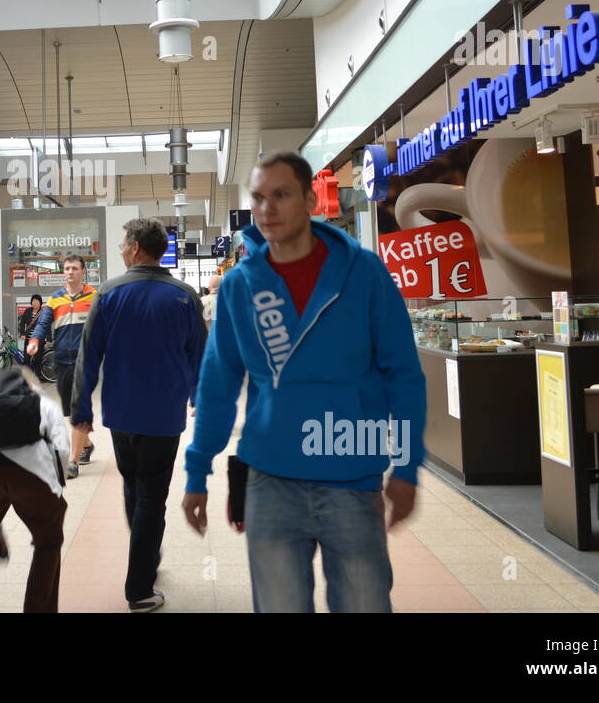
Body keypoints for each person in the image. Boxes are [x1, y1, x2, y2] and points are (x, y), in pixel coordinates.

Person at [182, 152, 427, 614]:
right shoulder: (240, 285)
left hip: (352, 476)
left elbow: (405, 377)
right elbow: (217, 385)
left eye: (281, 195)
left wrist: (407, 467)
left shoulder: (364, 273)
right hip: (270, 481)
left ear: (311, 200)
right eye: (258, 198)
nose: (267, 209)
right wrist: (198, 471)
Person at [71, 219, 205, 613]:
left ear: (133, 247)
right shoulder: (183, 296)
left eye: (122, 243)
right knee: (150, 494)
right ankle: (140, 586)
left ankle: (143, 558)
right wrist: (202, 397)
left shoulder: (109, 293)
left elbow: (88, 355)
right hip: (164, 414)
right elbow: (200, 353)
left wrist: (81, 410)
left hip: (122, 414)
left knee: (134, 485)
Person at [0, 367, 70, 614]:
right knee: (48, 543)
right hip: (34, 476)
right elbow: (61, 449)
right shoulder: (43, 402)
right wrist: (57, 487)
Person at [26, 256, 96, 479]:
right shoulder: (56, 299)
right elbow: (44, 323)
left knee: (78, 407)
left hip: (84, 361)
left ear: (83, 272)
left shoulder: (94, 296)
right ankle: (86, 444)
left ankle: (72, 462)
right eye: (67, 268)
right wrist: (35, 340)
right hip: (62, 360)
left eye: (75, 268)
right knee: (68, 410)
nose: (70, 272)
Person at [19, 294, 45, 375]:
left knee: (38, 359)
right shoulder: (27, 311)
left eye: (37, 301)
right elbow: (22, 323)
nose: (35, 303)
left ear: (40, 303)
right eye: (33, 301)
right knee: (26, 359)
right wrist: (23, 333)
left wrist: (49, 339)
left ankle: (38, 375)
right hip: (29, 339)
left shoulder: (43, 312)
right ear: (31, 302)